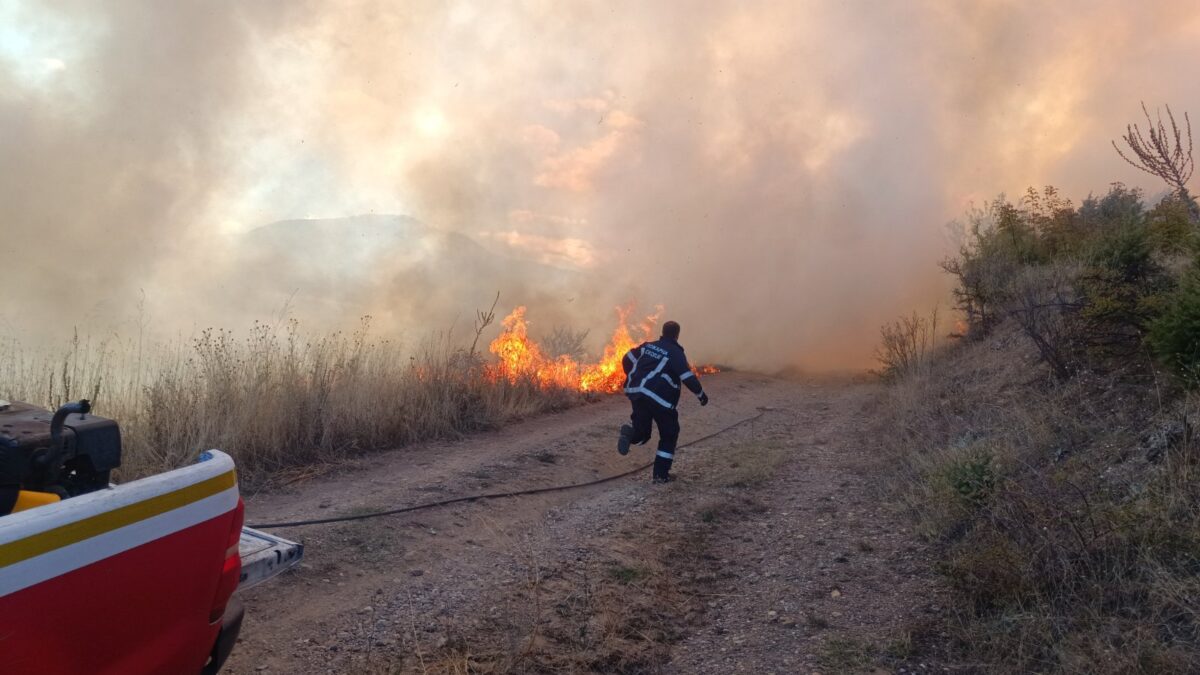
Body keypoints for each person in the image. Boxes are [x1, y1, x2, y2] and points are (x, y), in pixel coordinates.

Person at [617, 320, 708, 483]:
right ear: (677, 335)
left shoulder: (648, 346)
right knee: (669, 433)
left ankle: (630, 436)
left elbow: (627, 358)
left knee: (643, 432)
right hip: (659, 398)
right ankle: (660, 476)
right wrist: (701, 394)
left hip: (637, 392)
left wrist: (633, 375)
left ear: (662, 332)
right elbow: (686, 376)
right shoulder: (675, 352)